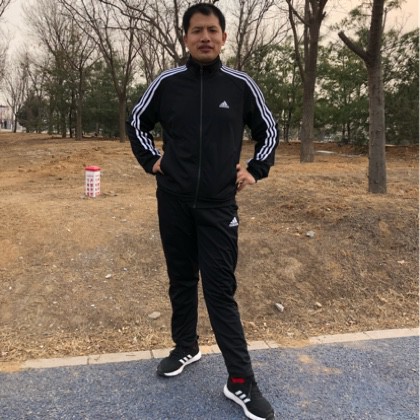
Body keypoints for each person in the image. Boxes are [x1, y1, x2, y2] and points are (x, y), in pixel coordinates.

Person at [127, 3, 278, 419]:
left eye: (212, 30)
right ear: (186, 38)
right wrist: (151, 160)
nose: (205, 37)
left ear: (223, 37)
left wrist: (255, 169)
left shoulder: (240, 85)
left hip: (217, 205)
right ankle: (186, 346)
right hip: (173, 200)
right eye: (197, 30)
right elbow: (137, 121)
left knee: (219, 289)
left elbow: (268, 129)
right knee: (180, 279)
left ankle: (240, 381)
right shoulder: (167, 82)